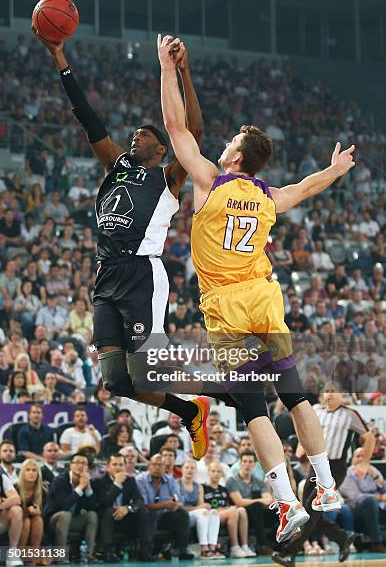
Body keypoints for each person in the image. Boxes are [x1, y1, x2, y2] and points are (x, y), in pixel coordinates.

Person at [159, 36, 355, 541]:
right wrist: (334, 170)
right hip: (264, 295)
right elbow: (306, 188)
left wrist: (166, 67)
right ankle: (327, 484)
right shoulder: (268, 196)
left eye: (229, 143)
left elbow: (176, 126)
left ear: (237, 154)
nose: (222, 145)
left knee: (251, 406)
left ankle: (289, 502)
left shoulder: (209, 181)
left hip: (226, 305)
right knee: (294, 394)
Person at [33, 28, 209, 461]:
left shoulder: (169, 176)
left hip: (142, 274)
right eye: (134, 132)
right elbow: (87, 117)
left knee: (148, 372)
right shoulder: (116, 165)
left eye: (145, 134)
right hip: (106, 276)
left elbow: (196, 131)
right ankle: (189, 409)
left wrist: (183, 72)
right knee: (116, 381)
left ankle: (221, 387)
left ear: (162, 146)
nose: (136, 135)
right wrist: (60, 56)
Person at [273, 383, 376, 567]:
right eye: (326, 391)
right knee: (307, 510)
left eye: (332, 391)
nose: (328, 395)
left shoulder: (349, 414)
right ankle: (343, 537)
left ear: (341, 394)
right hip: (315, 464)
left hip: (335, 467)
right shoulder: (315, 410)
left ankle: (289, 553)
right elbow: (304, 426)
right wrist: (301, 445)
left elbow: (369, 437)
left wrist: (365, 462)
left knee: (311, 510)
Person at [94, 453, 154, 562]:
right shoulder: (99, 482)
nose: (118, 467)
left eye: (121, 464)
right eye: (114, 464)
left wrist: (128, 508)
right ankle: (108, 552)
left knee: (144, 511)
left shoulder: (130, 480)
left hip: (126, 518)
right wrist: (116, 484)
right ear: (108, 467)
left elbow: (139, 501)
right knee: (108, 511)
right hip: (107, 520)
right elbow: (103, 504)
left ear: (125, 467)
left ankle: (146, 551)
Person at [135, 453, 194, 560]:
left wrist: (175, 504)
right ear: (149, 466)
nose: (157, 468)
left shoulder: (170, 479)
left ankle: (182, 550)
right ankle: (146, 553)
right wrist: (165, 504)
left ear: (165, 467)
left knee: (182, 514)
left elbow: (180, 500)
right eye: (154, 465)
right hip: (145, 517)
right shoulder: (140, 480)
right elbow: (143, 505)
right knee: (146, 512)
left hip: (163, 517)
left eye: (160, 465)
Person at [44, 452, 98, 562]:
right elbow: (64, 505)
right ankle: (62, 556)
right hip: (54, 520)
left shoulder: (87, 481)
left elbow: (93, 507)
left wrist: (87, 488)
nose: (80, 465)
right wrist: (81, 486)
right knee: (65, 514)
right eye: (77, 462)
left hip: (73, 519)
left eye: (84, 463)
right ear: (70, 465)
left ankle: (89, 554)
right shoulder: (60, 480)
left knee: (92, 515)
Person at [227, 450, 274, 555]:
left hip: (258, 513)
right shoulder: (232, 481)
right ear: (240, 463)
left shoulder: (259, 482)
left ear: (254, 464)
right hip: (241, 512)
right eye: (244, 461)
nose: (247, 464)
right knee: (256, 506)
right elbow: (239, 502)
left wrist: (257, 501)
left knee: (276, 510)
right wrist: (258, 501)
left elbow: (268, 499)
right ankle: (262, 544)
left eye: (250, 462)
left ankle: (282, 545)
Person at [340, 447, 386, 552]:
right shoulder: (347, 474)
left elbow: (383, 487)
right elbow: (355, 497)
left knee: (373, 501)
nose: (361, 459)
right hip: (356, 508)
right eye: (358, 456)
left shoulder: (373, 471)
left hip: (377, 503)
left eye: (364, 456)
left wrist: (375, 476)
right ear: (352, 459)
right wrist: (379, 497)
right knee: (370, 500)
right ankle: (375, 542)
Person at [203, 461, 252, 558]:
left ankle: (245, 546)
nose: (216, 474)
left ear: (222, 474)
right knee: (233, 511)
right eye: (213, 471)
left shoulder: (224, 489)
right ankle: (234, 547)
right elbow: (203, 506)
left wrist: (227, 508)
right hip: (211, 516)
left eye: (218, 471)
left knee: (241, 510)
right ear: (208, 472)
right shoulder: (203, 488)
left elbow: (227, 505)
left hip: (225, 515)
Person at [178, 459, 224, 558]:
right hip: (182, 516)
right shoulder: (177, 484)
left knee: (213, 512)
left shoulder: (198, 486)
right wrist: (198, 508)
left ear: (195, 471)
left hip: (196, 515)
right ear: (181, 469)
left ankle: (213, 546)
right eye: (187, 467)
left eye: (192, 468)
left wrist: (201, 508)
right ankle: (204, 548)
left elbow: (201, 506)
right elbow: (179, 508)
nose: (190, 470)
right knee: (203, 512)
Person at [16, 459, 47, 560]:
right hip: (17, 521)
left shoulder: (43, 489)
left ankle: (34, 554)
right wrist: (27, 512)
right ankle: (19, 554)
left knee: (38, 519)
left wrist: (40, 512)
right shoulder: (15, 488)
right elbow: (13, 512)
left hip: (37, 520)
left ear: (38, 473)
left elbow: (48, 511)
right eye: (28, 470)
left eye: (34, 470)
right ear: (22, 472)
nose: (31, 473)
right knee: (26, 521)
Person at [0, 466, 24, 567]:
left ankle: (12, 554)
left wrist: (1, 505)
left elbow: (16, 499)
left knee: (16, 510)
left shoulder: (2, 477)